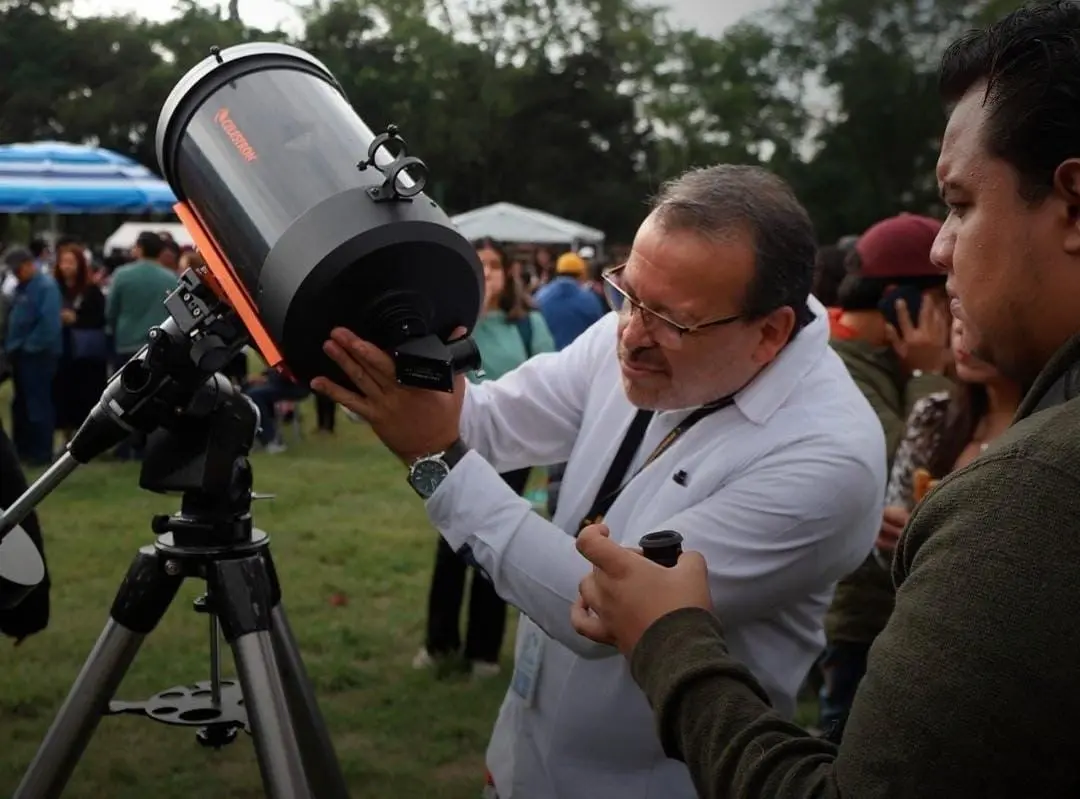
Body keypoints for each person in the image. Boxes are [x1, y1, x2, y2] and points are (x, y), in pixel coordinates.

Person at [570, 4, 1080, 797]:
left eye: (960, 203)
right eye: (631, 299)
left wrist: (672, 637)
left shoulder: (1034, 490)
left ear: (1073, 205)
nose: (942, 246)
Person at [313, 164, 886, 799]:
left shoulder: (828, 458)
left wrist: (439, 461)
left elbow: (595, 607)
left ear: (770, 332)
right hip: (523, 764)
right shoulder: (647, 322)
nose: (631, 337)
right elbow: (487, 420)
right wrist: (368, 345)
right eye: (627, 293)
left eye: (672, 321)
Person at [413, 238, 555, 678]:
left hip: (511, 453)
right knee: (451, 543)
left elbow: (548, 382)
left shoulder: (527, 325)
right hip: (455, 447)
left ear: (508, 273)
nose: (487, 273)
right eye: (479, 266)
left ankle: (484, 652)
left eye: (493, 265)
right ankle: (439, 643)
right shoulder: (448, 327)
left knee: (496, 545)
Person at [105, 231, 180, 460]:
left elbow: (111, 311)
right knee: (154, 396)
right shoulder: (170, 278)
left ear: (139, 248)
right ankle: (152, 445)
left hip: (127, 342)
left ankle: (125, 445)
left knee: (124, 397)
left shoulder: (122, 275)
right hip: (158, 344)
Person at [3, 245, 63, 465]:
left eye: (18, 269)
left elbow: (49, 325)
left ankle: (41, 453)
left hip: (39, 356)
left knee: (38, 405)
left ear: (29, 265)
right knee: (21, 405)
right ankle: (22, 450)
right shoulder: (22, 288)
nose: (15, 274)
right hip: (20, 355)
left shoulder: (46, 287)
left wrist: (29, 346)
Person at [52, 244, 108, 443]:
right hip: (62, 349)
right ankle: (65, 435)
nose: (66, 266)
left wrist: (77, 319)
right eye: (63, 262)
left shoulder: (91, 290)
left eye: (71, 262)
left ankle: (85, 436)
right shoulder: (54, 289)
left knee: (85, 394)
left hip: (85, 353)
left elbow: (99, 318)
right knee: (63, 393)